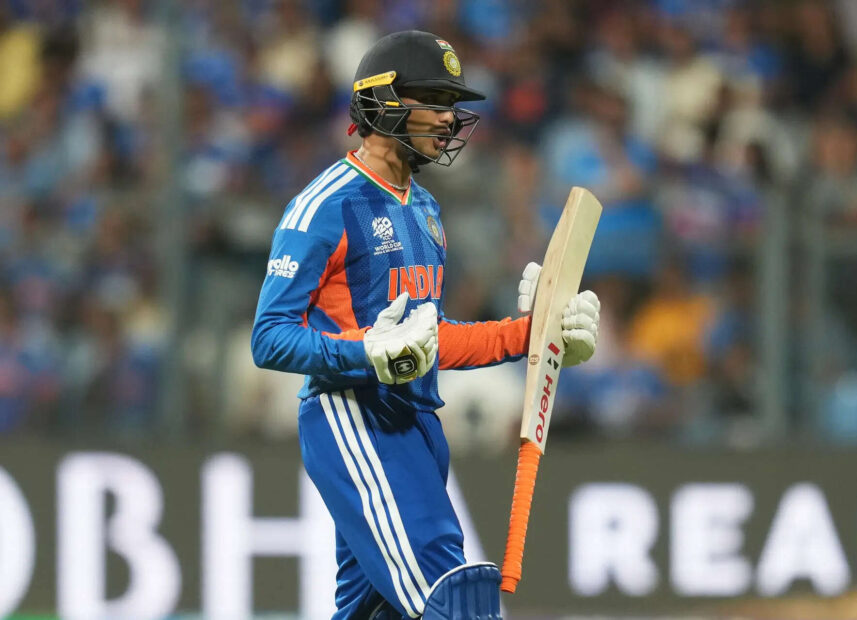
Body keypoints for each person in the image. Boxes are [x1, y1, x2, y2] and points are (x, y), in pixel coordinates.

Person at [251, 31, 601, 620]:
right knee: (454, 600)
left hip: (417, 425)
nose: (448, 117)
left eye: (451, 103)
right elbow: (269, 337)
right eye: (434, 100)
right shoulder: (325, 205)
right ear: (382, 102)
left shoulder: (425, 208)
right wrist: (367, 352)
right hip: (356, 418)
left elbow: (430, 339)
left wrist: (533, 335)